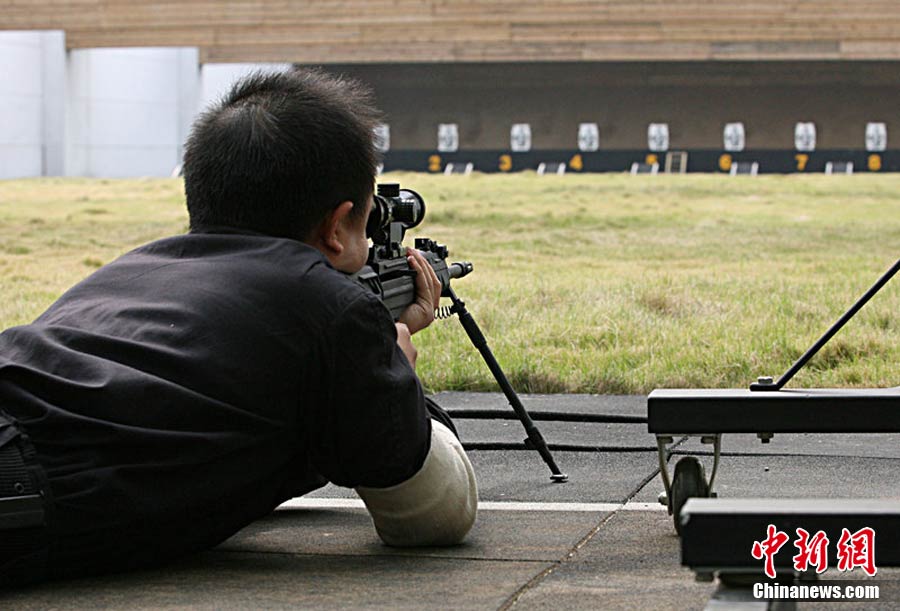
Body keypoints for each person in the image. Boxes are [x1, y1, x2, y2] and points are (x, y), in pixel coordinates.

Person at [0, 68, 477, 587]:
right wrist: (395, 372)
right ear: (337, 227)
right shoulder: (327, 307)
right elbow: (435, 515)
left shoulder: (130, 268)